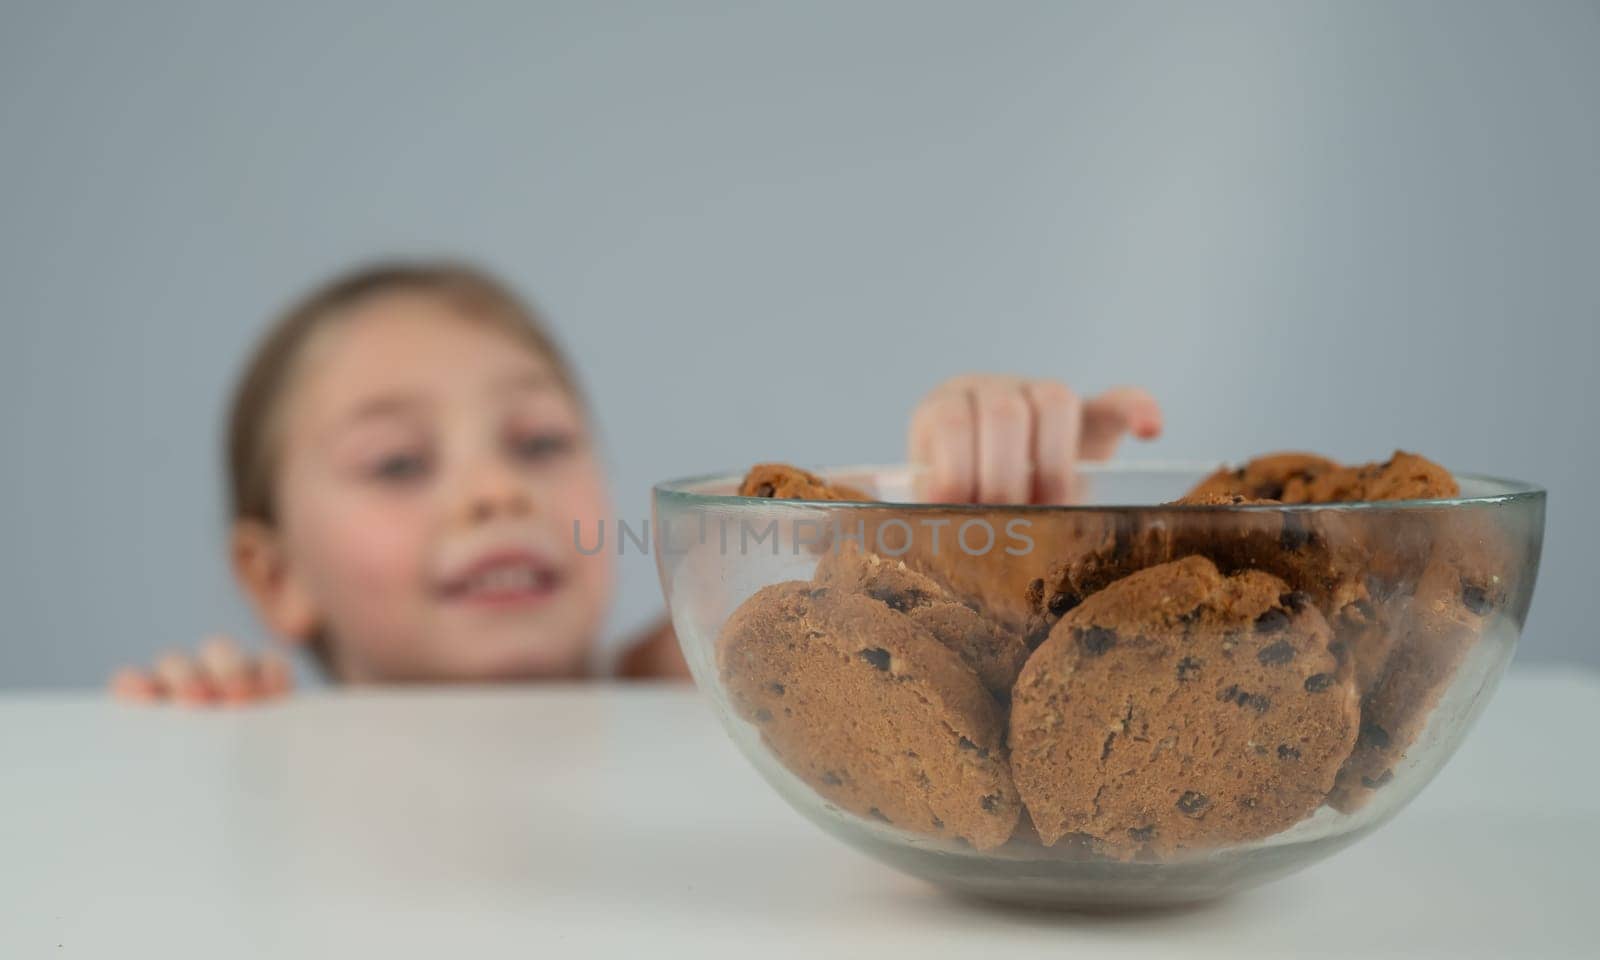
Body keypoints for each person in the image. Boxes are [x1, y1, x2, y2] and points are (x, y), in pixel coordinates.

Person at [110, 260, 1161, 705]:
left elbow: (843, 555)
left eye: (536, 442)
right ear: (274, 575)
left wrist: (965, 478)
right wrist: (195, 718)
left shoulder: (690, 673)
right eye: (397, 463)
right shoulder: (259, 725)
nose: (494, 494)